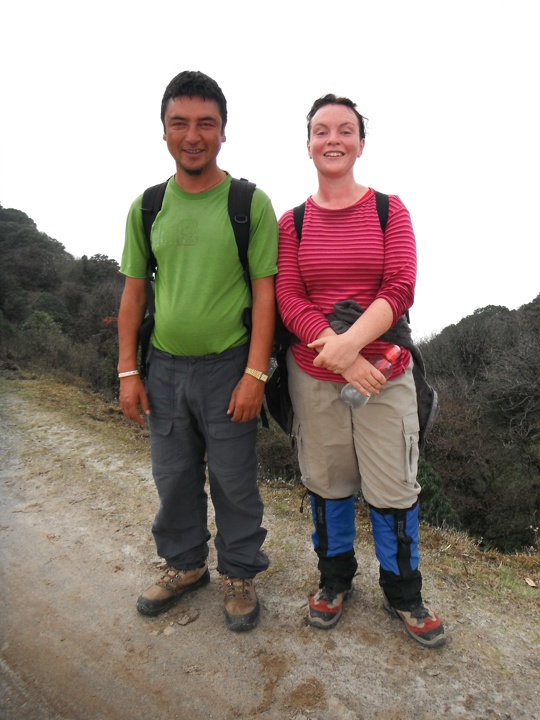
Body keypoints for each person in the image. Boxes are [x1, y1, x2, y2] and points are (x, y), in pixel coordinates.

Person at [275, 94, 446, 648]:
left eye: (345, 130)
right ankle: (334, 581)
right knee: (327, 484)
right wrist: (342, 355)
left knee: (394, 485)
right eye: (321, 130)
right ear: (308, 145)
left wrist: (350, 348)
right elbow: (288, 297)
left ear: (361, 144)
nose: (333, 139)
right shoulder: (292, 222)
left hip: (385, 375)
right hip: (314, 376)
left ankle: (404, 593)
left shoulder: (389, 210)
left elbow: (400, 287)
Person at [117, 71, 278, 632]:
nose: (193, 136)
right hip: (163, 369)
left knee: (234, 480)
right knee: (174, 476)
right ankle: (185, 565)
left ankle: (239, 572)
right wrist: (128, 371)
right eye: (179, 123)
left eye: (206, 123)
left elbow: (265, 294)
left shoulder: (248, 204)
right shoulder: (147, 207)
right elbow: (134, 294)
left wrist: (256, 374)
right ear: (163, 130)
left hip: (229, 367)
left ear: (223, 131)